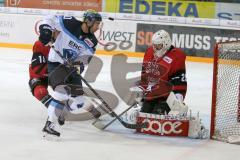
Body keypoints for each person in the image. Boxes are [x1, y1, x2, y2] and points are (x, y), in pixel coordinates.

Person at [38, 9, 103, 137]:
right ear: (89, 21)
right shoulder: (70, 23)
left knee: (79, 101)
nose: (98, 27)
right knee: (60, 92)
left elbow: (85, 59)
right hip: (56, 64)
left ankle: (63, 110)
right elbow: (50, 17)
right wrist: (46, 30)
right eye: (96, 24)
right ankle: (49, 125)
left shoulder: (92, 41)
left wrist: (77, 65)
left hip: (71, 69)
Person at [139, 30, 187, 115]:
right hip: (152, 95)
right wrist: (142, 90)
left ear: (166, 43)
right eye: (154, 45)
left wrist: (178, 99)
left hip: (166, 97)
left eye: (158, 45)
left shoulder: (177, 56)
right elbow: (144, 73)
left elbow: (179, 80)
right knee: (143, 115)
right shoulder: (149, 52)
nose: (155, 48)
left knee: (157, 116)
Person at [28, 37, 53, 108]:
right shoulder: (40, 44)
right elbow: (37, 69)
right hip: (42, 74)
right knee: (40, 92)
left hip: (59, 73)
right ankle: (55, 108)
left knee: (68, 90)